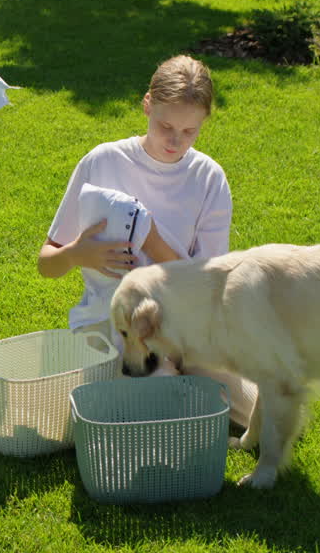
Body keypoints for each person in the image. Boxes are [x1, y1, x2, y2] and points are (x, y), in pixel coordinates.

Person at [37, 54, 257, 429]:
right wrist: (77, 254)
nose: (175, 140)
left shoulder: (208, 178)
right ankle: (153, 389)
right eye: (165, 125)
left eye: (190, 132)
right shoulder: (103, 162)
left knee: (261, 415)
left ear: (204, 122)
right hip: (113, 320)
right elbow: (47, 263)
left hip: (186, 321)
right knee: (162, 393)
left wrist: (151, 240)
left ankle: (181, 380)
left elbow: (206, 286)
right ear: (147, 105)